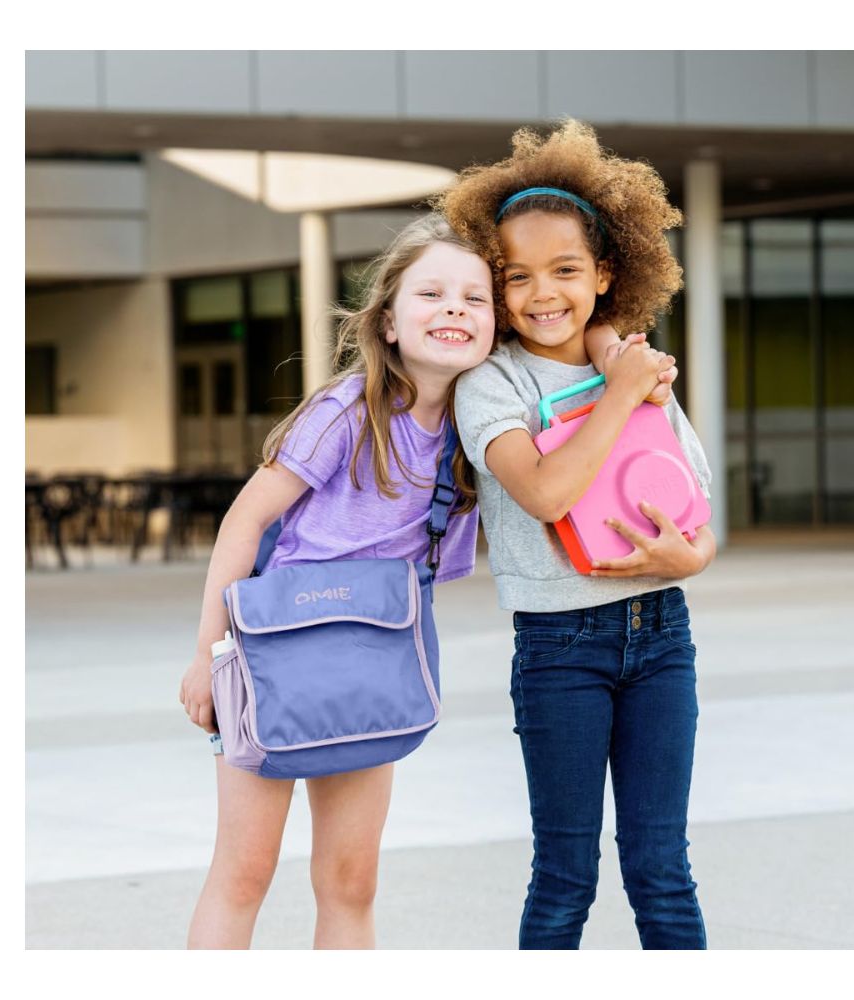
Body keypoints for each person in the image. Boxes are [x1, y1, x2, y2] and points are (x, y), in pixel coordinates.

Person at [178, 214, 497, 949]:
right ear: (387, 322)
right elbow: (244, 521)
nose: (453, 308)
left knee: (351, 882)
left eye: (474, 298)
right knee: (245, 872)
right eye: (432, 293)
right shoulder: (347, 410)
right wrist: (207, 653)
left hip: (368, 667)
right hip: (271, 662)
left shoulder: (471, 434)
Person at [436, 119, 717, 949]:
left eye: (564, 270)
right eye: (515, 276)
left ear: (603, 273)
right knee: (565, 874)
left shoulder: (630, 364)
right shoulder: (490, 383)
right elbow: (549, 492)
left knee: (662, 867)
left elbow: (696, 511)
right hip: (560, 650)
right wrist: (620, 391)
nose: (541, 293)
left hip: (663, 637)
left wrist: (690, 559)